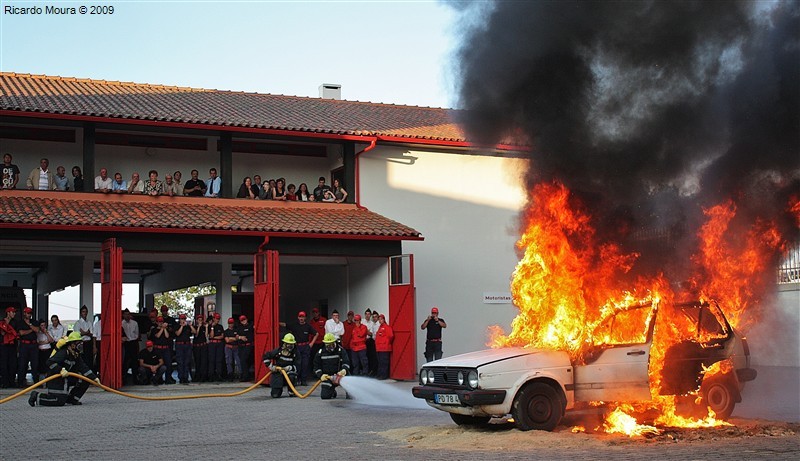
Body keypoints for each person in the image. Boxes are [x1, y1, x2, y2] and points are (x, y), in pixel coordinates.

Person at [28, 331, 100, 406]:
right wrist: (60, 370)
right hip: (55, 379)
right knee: (59, 401)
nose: (80, 345)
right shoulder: (63, 352)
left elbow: (83, 367)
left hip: (66, 377)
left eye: (81, 343)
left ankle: (72, 399)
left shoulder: (75, 354)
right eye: (78, 343)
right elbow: (49, 362)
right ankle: (37, 396)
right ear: (72, 344)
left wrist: (94, 378)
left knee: (85, 379)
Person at [262, 333, 301, 398]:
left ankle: (291, 391)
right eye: (288, 344)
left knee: (292, 376)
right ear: (284, 344)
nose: (290, 346)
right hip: (278, 371)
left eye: (291, 344)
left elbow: (298, 366)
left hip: (289, 372)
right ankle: (277, 389)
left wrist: (289, 368)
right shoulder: (278, 351)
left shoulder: (296, 353)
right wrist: (271, 367)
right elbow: (266, 357)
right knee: (275, 395)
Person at [313, 333, 350, 400]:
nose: (330, 347)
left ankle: (350, 393)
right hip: (328, 377)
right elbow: (316, 366)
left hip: (340, 375)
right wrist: (321, 375)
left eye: (331, 344)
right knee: (325, 396)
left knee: (348, 378)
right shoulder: (320, 352)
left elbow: (346, 362)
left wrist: (344, 370)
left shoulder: (340, 350)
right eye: (327, 345)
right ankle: (332, 392)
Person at [285, 311, 318, 385]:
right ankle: (297, 379)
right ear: (298, 317)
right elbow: (285, 325)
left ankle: (304, 380)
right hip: (297, 347)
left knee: (305, 364)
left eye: (303, 317)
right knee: (297, 364)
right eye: (300, 317)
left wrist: (311, 343)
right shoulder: (294, 325)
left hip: (305, 347)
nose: (301, 318)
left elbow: (316, 334)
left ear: (305, 318)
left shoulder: (308, 326)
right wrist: (274, 322)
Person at [12, 307, 39, 387]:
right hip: (24, 345)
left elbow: (37, 330)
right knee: (22, 364)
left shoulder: (34, 322)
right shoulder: (20, 323)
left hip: (33, 345)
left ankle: (36, 382)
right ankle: (21, 382)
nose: (29, 315)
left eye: (30, 313)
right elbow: (21, 333)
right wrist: (31, 329)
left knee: (35, 364)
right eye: (27, 313)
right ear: (24, 313)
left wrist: (30, 325)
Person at [148, 316, 173, 384]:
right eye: (159, 322)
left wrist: (164, 329)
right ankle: (159, 379)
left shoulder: (166, 329)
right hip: (158, 349)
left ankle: (168, 379)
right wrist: (162, 328)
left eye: (161, 322)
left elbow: (167, 336)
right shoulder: (154, 329)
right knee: (159, 364)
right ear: (156, 322)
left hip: (165, 348)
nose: (160, 323)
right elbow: (157, 336)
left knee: (168, 364)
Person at [0, 307, 19, 387]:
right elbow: (3, 333)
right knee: (3, 364)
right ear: (8, 312)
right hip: (3, 346)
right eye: (13, 312)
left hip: (12, 346)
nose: (14, 314)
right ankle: (5, 382)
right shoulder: (1, 322)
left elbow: (17, 334)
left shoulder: (15, 322)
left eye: (14, 312)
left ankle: (12, 381)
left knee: (13, 364)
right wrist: (7, 327)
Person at [121, 309, 140, 385]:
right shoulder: (121, 323)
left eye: (128, 314)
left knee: (134, 361)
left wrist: (133, 339)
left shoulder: (134, 323)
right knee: (125, 361)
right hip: (125, 343)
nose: (127, 315)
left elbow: (137, 334)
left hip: (133, 343)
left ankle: (135, 378)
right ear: (123, 315)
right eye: (125, 314)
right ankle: (123, 378)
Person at [173, 314, 192, 384]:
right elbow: (177, 334)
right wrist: (181, 326)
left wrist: (190, 326)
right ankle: (181, 377)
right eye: (182, 319)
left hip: (187, 344)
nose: (183, 320)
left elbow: (194, 332)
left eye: (184, 319)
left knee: (186, 362)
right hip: (179, 345)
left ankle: (186, 377)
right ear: (179, 319)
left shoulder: (187, 327)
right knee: (180, 362)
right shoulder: (176, 326)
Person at [74, 305, 94, 370]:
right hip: (81, 344)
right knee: (82, 360)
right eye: (83, 312)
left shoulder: (89, 322)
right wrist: (86, 332)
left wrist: (83, 333)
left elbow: (92, 334)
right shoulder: (78, 323)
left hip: (89, 343)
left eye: (85, 312)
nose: (84, 313)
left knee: (89, 360)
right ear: (80, 313)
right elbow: (78, 335)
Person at [375, 314, 394, 380]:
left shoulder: (387, 327)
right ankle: (380, 374)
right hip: (379, 348)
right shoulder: (380, 327)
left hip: (384, 348)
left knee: (384, 362)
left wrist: (386, 343)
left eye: (381, 319)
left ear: (384, 319)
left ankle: (384, 375)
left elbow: (391, 336)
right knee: (380, 362)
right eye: (379, 319)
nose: (380, 321)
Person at [190, 314, 209, 382]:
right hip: (197, 347)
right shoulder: (194, 327)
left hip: (203, 346)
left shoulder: (204, 327)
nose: (200, 321)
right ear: (197, 320)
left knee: (203, 362)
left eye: (201, 320)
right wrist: (199, 327)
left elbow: (206, 335)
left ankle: (203, 376)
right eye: (199, 320)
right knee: (197, 362)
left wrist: (206, 327)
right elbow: (196, 334)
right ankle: (197, 376)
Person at [207, 313, 225, 381]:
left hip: (219, 344)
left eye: (218, 319)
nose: (217, 320)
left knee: (219, 360)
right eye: (216, 318)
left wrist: (215, 337)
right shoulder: (209, 326)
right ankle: (211, 375)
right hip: (212, 344)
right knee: (212, 360)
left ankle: (219, 375)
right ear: (213, 319)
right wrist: (212, 327)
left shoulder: (220, 326)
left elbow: (222, 336)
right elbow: (211, 336)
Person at [236, 315, 254, 381]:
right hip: (241, 346)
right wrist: (241, 337)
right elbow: (236, 336)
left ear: (246, 319)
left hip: (248, 345)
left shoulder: (251, 326)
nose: (243, 321)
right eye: (242, 320)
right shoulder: (239, 327)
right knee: (242, 361)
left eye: (244, 319)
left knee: (245, 360)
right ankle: (245, 375)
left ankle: (246, 376)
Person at [366, 310, 380, 377]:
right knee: (372, 358)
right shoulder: (373, 324)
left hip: (378, 342)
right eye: (373, 317)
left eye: (375, 317)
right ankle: (373, 371)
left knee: (377, 358)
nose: (374, 318)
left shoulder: (378, 324)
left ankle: (377, 372)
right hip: (372, 341)